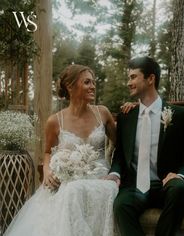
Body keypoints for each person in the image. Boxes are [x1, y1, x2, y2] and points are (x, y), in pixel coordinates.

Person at [4, 64, 119, 236]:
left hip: (101, 178)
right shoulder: (55, 121)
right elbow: (48, 152)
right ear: (70, 87)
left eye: (93, 82)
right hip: (71, 179)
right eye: (87, 82)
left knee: (78, 191)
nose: (93, 86)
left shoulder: (102, 113)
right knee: (70, 191)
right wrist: (47, 169)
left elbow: (122, 145)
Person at [105, 56, 184, 236]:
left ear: (151, 79)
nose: (129, 82)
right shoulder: (126, 116)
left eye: (133, 77)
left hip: (166, 185)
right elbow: (120, 153)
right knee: (121, 205)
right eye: (129, 78)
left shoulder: (179, 115)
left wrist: (181, 175)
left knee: (178, 188)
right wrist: (114, 173)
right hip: (134, 186)